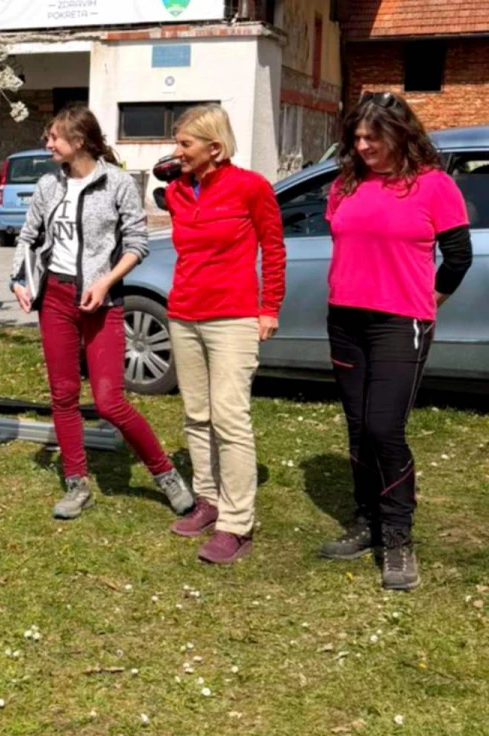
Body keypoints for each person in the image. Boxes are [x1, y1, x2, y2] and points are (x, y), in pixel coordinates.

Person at [8, 105, 193, 520]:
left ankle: (165, 473)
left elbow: (137, 243)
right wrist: (20, 279)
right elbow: (28, 236)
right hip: (55, 298)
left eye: (54, 137)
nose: (47, 144)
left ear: (78, 141)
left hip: (102, 301)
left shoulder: (117, 183)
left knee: (109, 402)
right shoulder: (48, 185)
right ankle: (77, 482)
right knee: (63, 395)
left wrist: (106, 282)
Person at [319, 92, 472, 590]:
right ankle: (367, 520)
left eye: (373, 136)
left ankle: (398, 536)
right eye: (357, 137)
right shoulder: (345, 184)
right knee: (359, 429)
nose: (363, 146)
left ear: (400, 134)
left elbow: (459, 257)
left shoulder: (434, 185)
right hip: (345, 321)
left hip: (399, 323)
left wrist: (426, 301)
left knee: (384, 428)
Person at [163, 105, 285, 564]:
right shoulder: (176, 191)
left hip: (232, 317)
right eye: (177, 143)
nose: (177, 152)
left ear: (214, 147)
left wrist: (269, 308)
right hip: (184, 313)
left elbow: (273, 248)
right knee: (196, 415)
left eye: (185, 144)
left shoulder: (251, 187)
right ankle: (208, 500)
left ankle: (237, 523)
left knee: (230, 418)